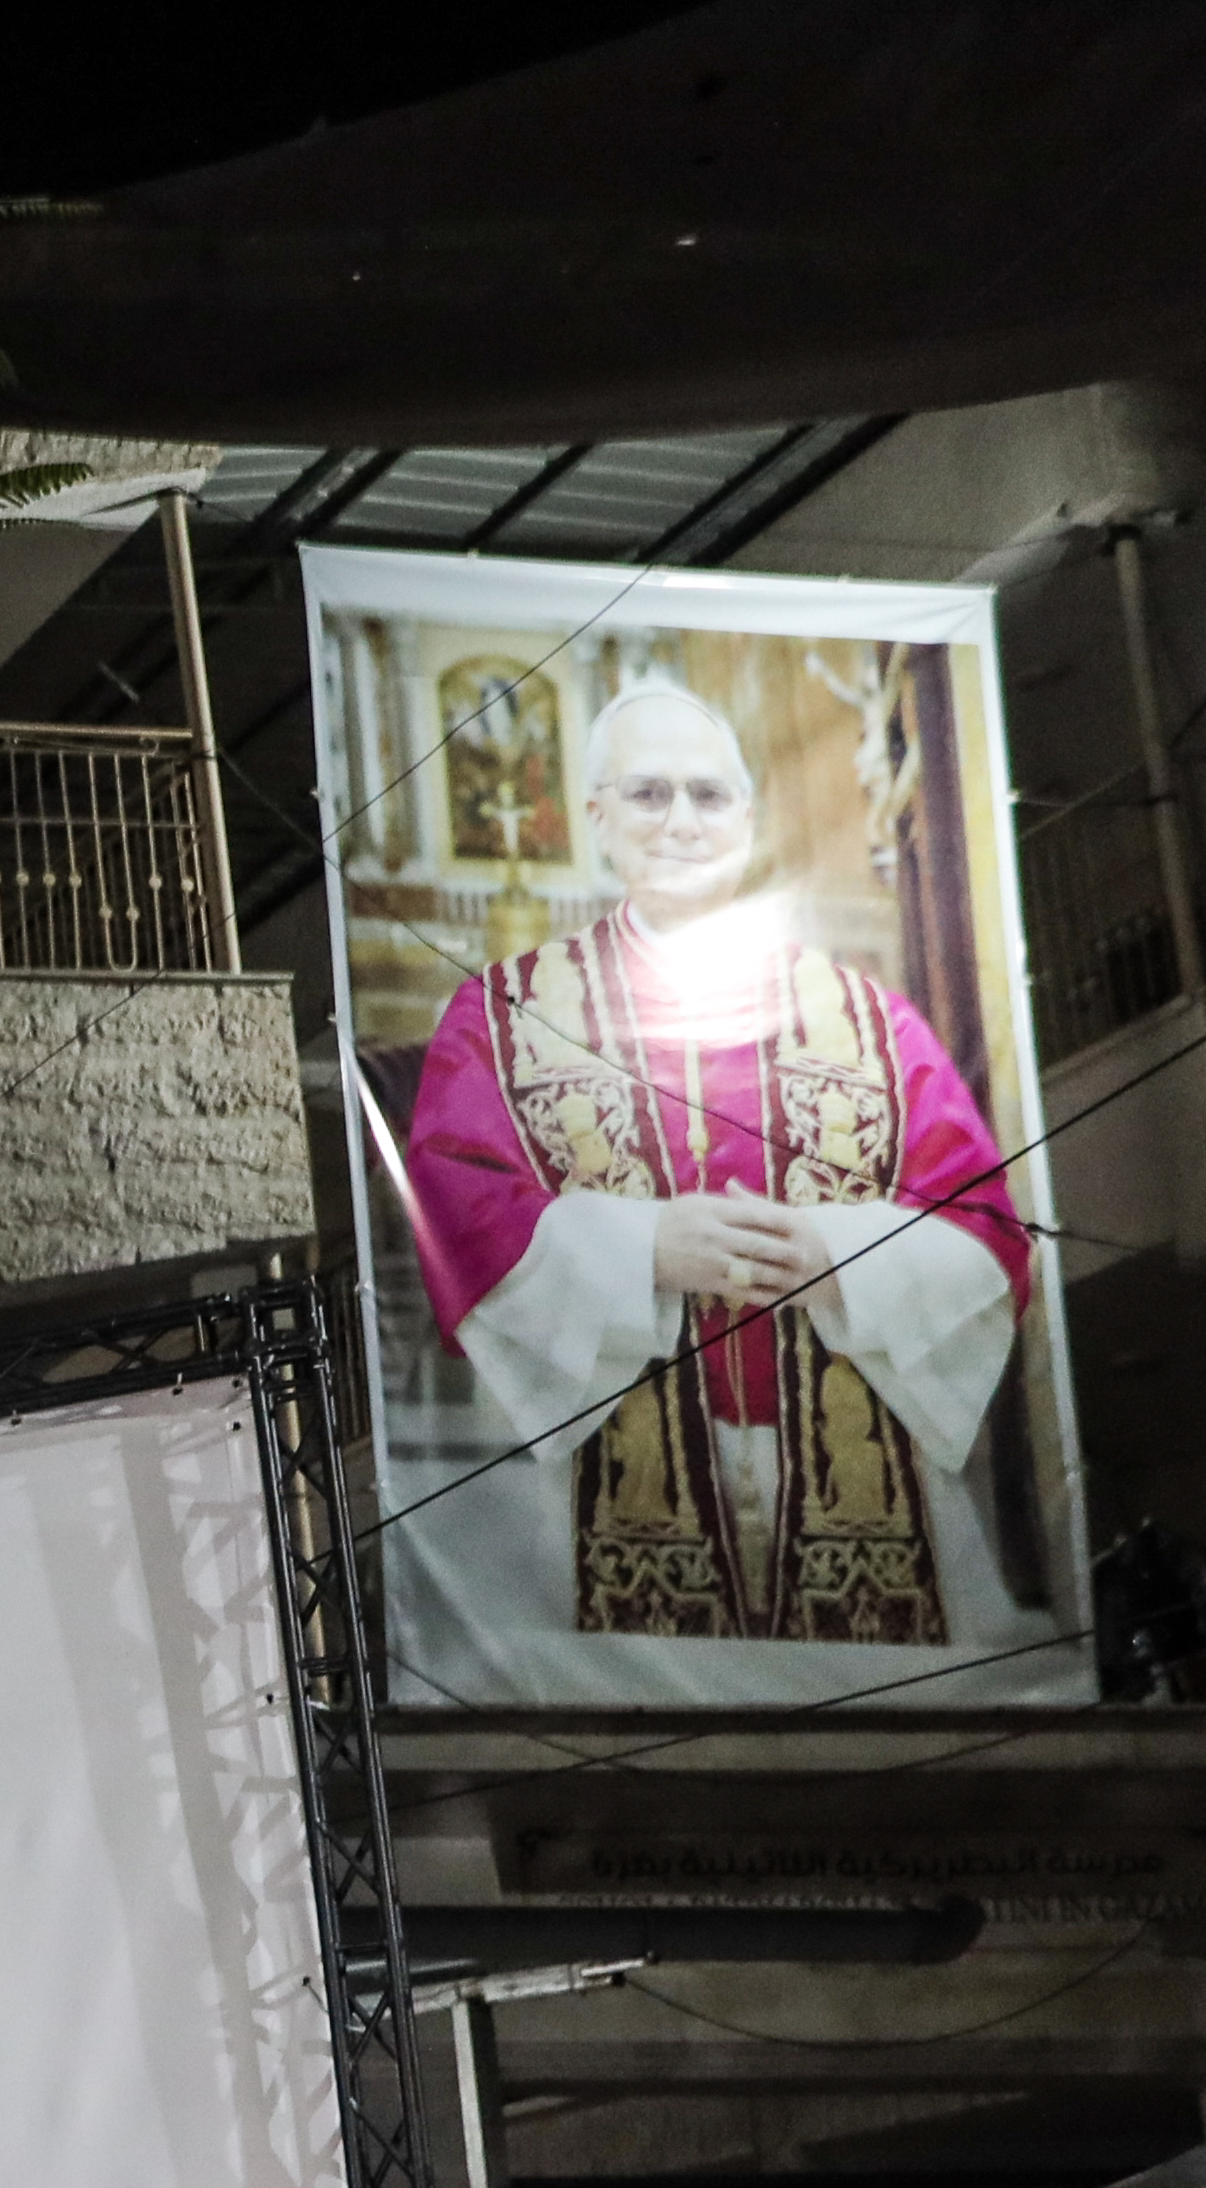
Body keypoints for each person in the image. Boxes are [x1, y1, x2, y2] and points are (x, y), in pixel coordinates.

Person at [395, 676, 1036, 1651]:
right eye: (648, 794)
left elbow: (985, 1232)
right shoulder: (505, 1012)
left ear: (747, 816)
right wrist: (646, 1247)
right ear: (595, 818)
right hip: (583, 1486)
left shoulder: (867, 1020)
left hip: (848, 1470)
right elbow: (454, 1212)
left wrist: (836, 1251)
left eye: (709, 794)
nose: (682, 821)